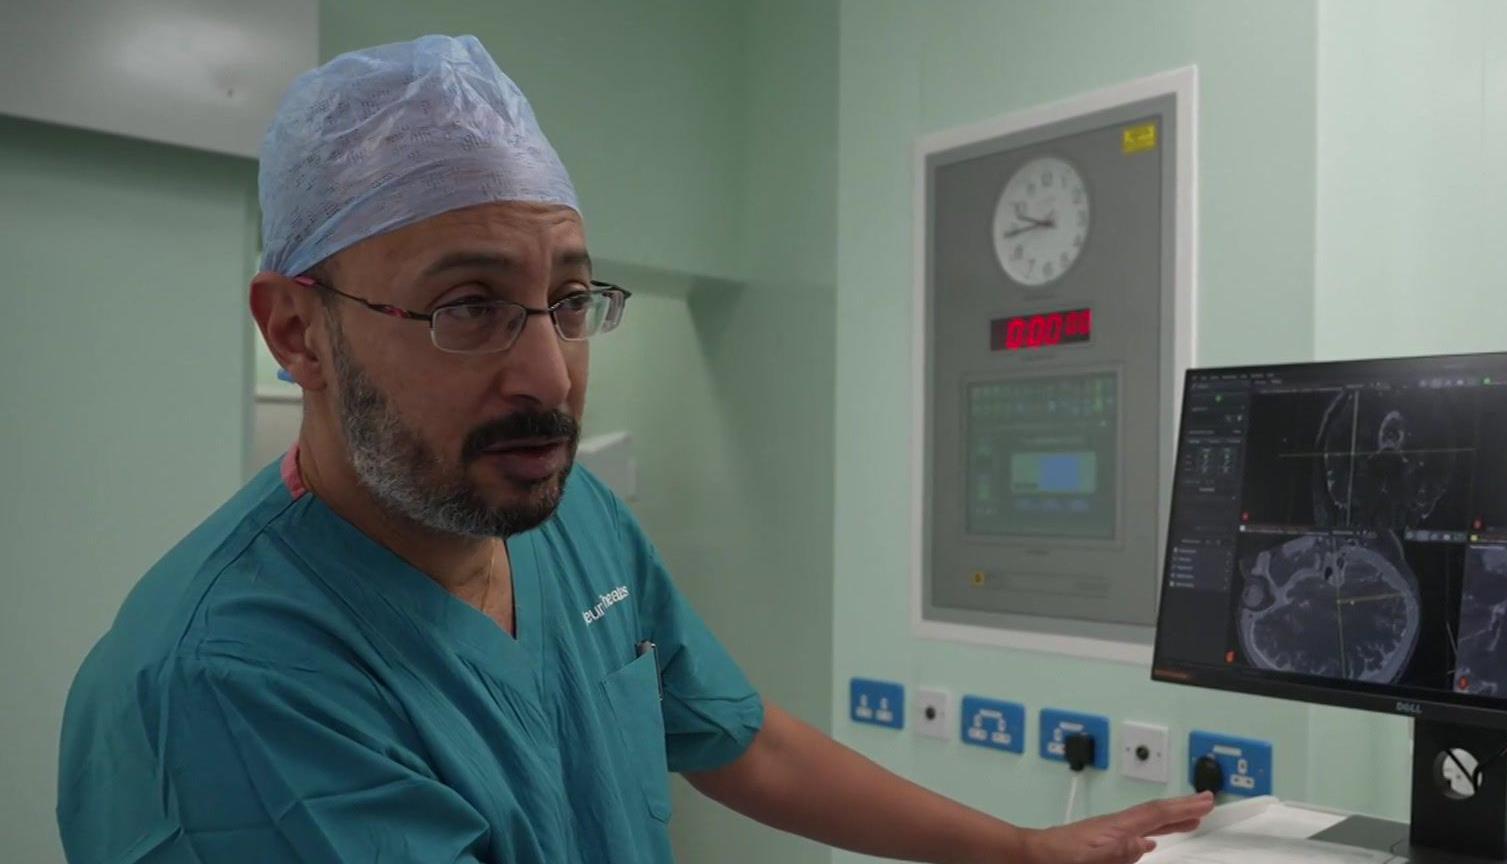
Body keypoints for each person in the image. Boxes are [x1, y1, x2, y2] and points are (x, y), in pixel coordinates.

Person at [56, 35, 1211, 864]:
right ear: (298, 330)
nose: (550, 378)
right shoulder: (228, 690)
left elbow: (736, 738)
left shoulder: (561, 517)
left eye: (568, 299)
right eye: (468, 306)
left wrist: (1018, 851)